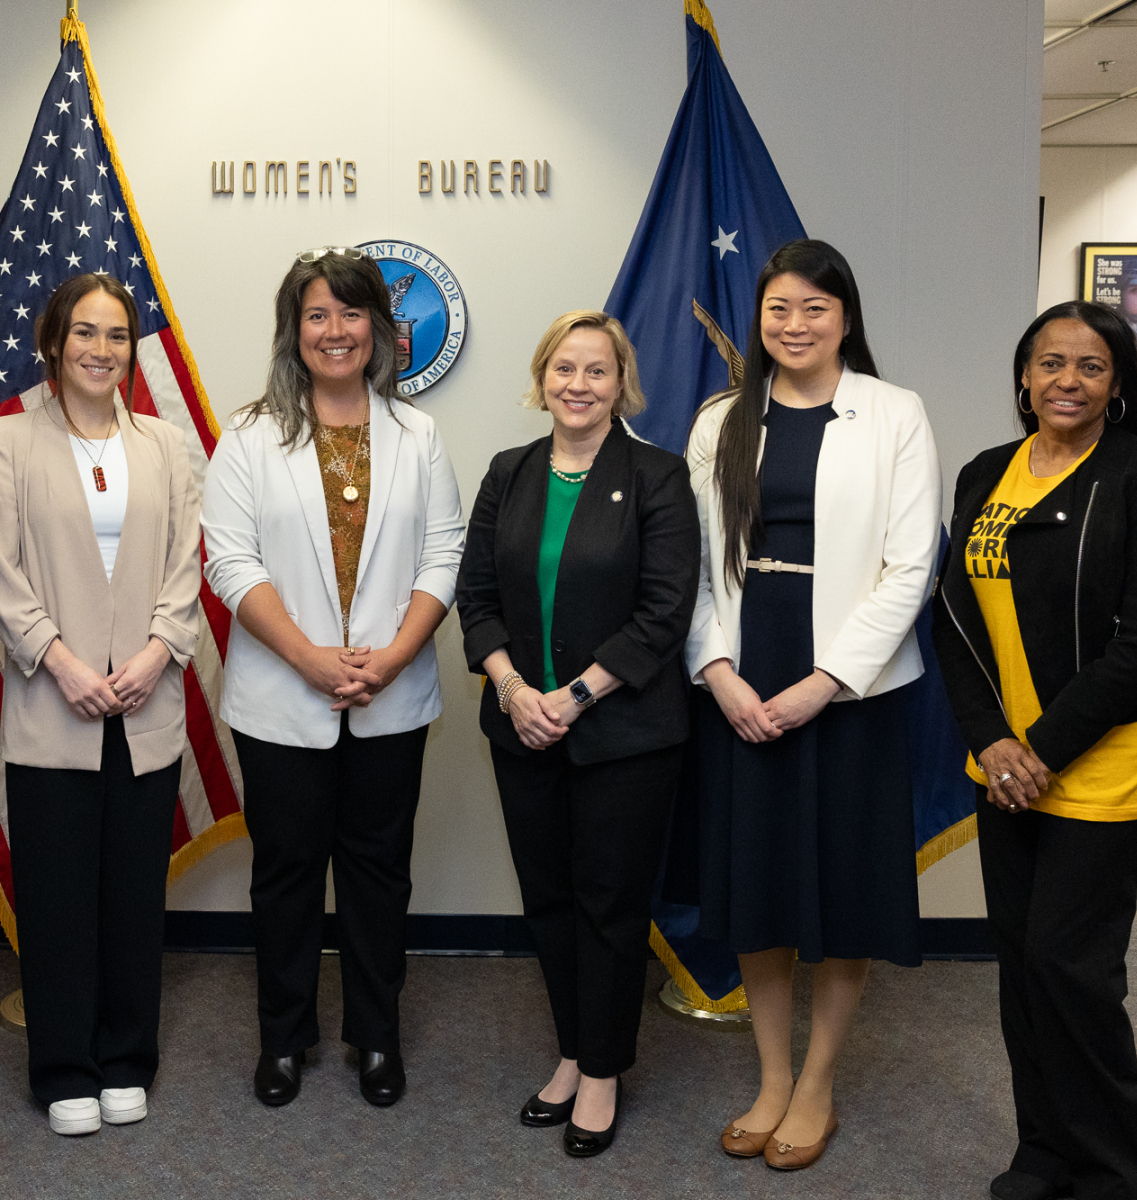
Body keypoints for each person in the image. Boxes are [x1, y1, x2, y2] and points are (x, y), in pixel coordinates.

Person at [665, 238, 940, 1171]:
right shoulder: (721, 421)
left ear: (845, 318)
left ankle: (817, 1082)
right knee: (759, 880)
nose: (794, 325)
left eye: (814, 308)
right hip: (743, 678)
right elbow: (693, 563)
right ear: (759, 318)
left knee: (845, 885)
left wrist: (826, 682)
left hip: (850, 687)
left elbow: (911, 565)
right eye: (778, 308)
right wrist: (719, 672)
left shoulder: (895, 413)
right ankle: (772, 1075)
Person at [933, 300, 1137, 1200]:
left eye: (1090, 366)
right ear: (1023, 376)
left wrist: (1038, 748)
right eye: (1050, 363)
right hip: (1005, 762)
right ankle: (1043, 1152)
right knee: (1022, 963)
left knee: (1070, 966)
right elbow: (954, 621)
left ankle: (1119, 1172)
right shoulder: (985, 472)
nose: (1067, 381)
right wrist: (993, 740)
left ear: (1117, 385)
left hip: (1104, 758)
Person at [201, 247, 464, 1109]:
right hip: (282, 696)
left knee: (379, 873)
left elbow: (443, 553)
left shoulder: (418, 435)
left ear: (378, 329)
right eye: (318, 314)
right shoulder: (249, 436)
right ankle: (284, 1040)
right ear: (295, 330)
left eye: (351, 313)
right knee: (284, 873)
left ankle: (375, 1037)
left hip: (392, 692)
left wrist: (393, 656)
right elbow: (229, 562)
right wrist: (311, 658)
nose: (336, 330)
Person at [458, 310, 697, 1158]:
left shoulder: (659, 476)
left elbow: (665, 611)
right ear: (542, 377)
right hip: (521, 726)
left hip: (624, 734)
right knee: (549, 900)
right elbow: (476, 598)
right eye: (564, 368)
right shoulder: (509, 472)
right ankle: (571, 1048)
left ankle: (602, 1069)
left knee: (609, 904)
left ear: (621, 382)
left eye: (598, 370)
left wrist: (575, 697)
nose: (579, 384)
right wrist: (516, 691)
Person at [0, 273, 203, 1138]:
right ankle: (65, 1066)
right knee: (58, 895)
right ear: (52, 342)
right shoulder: (7, 443)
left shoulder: (166, 445)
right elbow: (0, 572)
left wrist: (156, 652)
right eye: (84, 332)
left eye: (116, 336)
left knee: (134, 894)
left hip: (146, 703)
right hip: (53, 705)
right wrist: (61, 663)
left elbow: (187, 562)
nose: (101, 350)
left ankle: (126, 1058)